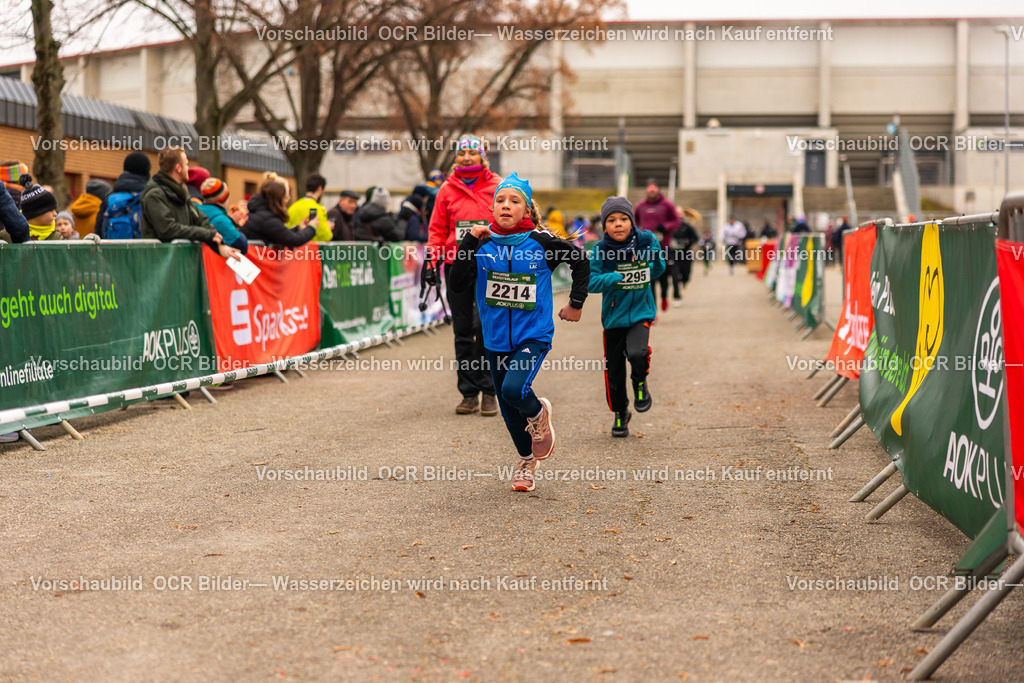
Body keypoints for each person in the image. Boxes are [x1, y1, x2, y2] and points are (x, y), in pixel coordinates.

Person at [449, 172, 589, 492]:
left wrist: (576, 303)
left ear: (526, 210)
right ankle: (526, 462)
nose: (506, 206)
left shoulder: (541, 242)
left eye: (514, 201)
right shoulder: (482, 244)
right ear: (492, 208)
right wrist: (469, 241)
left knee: (514, 391)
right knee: (509, 408)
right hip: (495, 338)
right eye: (500, 200)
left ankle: (538, 413)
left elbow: (579, 260)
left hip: (533, 334)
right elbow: (456, 284)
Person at [426, 134, 502, 417]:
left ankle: (489, 392)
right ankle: (468, 393)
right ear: (455, 158)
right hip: (455, 263)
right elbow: (436, 229)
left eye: (472, 153)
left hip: (490, 264)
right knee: (462, 330)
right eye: (461, 153)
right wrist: (431, 261)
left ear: (482, 157)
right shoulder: (446, 189)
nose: (466, 157)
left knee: (485, 328)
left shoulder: (497, 185)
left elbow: (510, 221)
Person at [588, 196, 665, 437]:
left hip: (641, 311)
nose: (618, 224)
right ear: (604, 226)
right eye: (611, 220)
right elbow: (591, 283)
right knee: (614, 373)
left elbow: (658, 271)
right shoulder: (600, 250)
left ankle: (640, 382)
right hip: (613, 318)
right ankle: (621, 412)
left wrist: (655, 256)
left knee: (637, 353)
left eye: (623, 219)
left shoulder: (646, 241)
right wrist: (613, 278)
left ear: (632, 222)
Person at [140, 147, 239, 261]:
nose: (188, 168)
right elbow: (167, 229)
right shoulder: (155, 195)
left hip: (179, 262)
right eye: (186, 164)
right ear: (178, 168)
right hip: (160, 263)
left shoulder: (181, 192)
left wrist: (220, 244)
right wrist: (207, 235)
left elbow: (201, 220)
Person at [633, 178, 680, 311]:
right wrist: (638, 233)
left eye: (654, 187)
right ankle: (653, 311)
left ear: (658, 189)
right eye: (649, 187)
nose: (651, 189)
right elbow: (634, 222)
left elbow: (676, 221)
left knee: (664, 278)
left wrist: (665, 226)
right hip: (646, 249)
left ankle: (664, 296)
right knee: (649, 281)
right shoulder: (641, 205)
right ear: (646, 189)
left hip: (664, 247)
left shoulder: (667, 205)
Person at [241, 173, 318, 248]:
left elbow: (281, 234)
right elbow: (294, 240)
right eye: (285, 197)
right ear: (277, 199)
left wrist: (298, 228)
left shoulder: (261, 213)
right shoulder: (268, 219)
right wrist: (312, 227)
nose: (286, 201)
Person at [98, 151, 151, 239]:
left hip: (113, 251)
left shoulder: (110, 197)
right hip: (141, 250)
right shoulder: (149, 195)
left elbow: (99, 228)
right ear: (147, 172)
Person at [197, 177, 249, 253]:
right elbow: (242, 245)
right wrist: (233, 223)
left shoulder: (195, 209)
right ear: (223, 198)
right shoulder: (222, 221)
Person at [287, 172, 333, 242]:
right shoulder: (319, 209)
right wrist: (329, 228)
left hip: (294, 251)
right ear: (320, 188)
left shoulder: (292, 207)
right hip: (312, 251)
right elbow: (326, 236)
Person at [671, 211, 700, 304]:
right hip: (673, 254)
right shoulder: (670, 227)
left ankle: (684, 280)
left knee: (686, 274)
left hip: (686, 254)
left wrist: (687, 242)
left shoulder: (687, 227)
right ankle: (676, 296)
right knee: (674, 276)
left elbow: (695, 238)